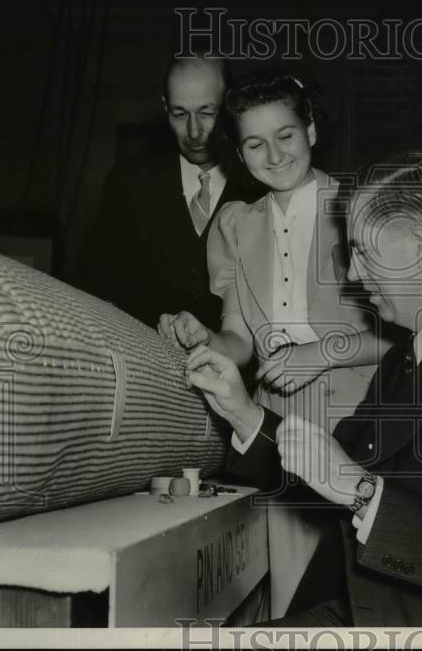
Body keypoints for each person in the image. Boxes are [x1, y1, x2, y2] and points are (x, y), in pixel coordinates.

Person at [184, 149, 422, 627]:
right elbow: (331, 463)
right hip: (385, 609)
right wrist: (241, 410)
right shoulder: (409, 354)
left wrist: (360, 489)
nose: (353, 274)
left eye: (363, 250)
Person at [159, 71, 387, 617]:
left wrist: (319, 354)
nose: (274, 153)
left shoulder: (362, 206)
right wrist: (205, 336)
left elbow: (401, 339)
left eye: (286, 135)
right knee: (292, 593)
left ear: (311, 129)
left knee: (361, 587)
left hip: (362, 416)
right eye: (255, 143)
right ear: (238, 153)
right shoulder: (235, 225)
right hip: (275, 423)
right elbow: (240, 339)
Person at [76, 56, 237, 328]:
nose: (194, 131)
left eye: (207, 113)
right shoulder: (128, 183)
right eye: (180, 114)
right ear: (165, 108)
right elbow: (95, 285)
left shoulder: (260, 186)